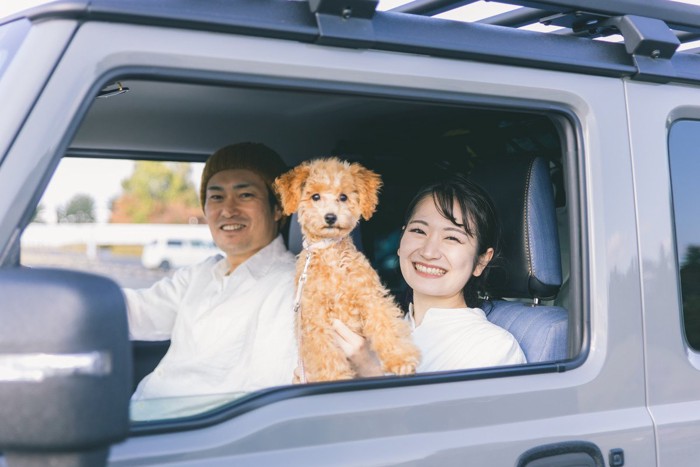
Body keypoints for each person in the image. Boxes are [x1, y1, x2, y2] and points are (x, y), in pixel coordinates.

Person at [124, 142, 297, 408]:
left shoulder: (289, 285)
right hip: (140, 418)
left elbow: (266, 399)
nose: (228, 210)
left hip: (192, 435)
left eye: (245, 195)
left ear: (278, 209)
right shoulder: (202, 273)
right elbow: (135, 312)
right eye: (216, 197)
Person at [331, 175, 526, 376]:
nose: (428, 252)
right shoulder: (377, 334)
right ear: (401, 240)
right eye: (419, 231)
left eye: (452, 237)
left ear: (481, 261)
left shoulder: (493, 348)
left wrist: (371, 371)